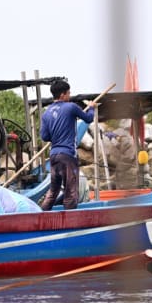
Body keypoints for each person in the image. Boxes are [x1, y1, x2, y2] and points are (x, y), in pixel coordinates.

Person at [40, 80, 95, 210]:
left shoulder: (46, 113)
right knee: (71, 191)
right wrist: (92, 107)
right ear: (62, 94)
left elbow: (45, 136)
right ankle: (71, 219)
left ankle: (42, 214)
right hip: (68, 155)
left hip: (54, 156)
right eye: (68, 93)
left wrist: (57, 133)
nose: (69, 96)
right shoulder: (71, 107)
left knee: (53, 191)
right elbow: (88, 118)